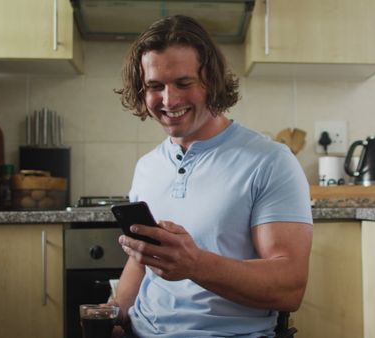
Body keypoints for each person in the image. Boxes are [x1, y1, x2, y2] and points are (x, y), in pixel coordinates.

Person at [111, 15, 313, 338]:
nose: (169, 100)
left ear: (211, 81)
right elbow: (141, 262)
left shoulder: (270, 162)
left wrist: (195, 265)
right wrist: (115, 316)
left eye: (183, 83)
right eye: (155, 86)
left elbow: (290, 286)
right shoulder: (147, 167)